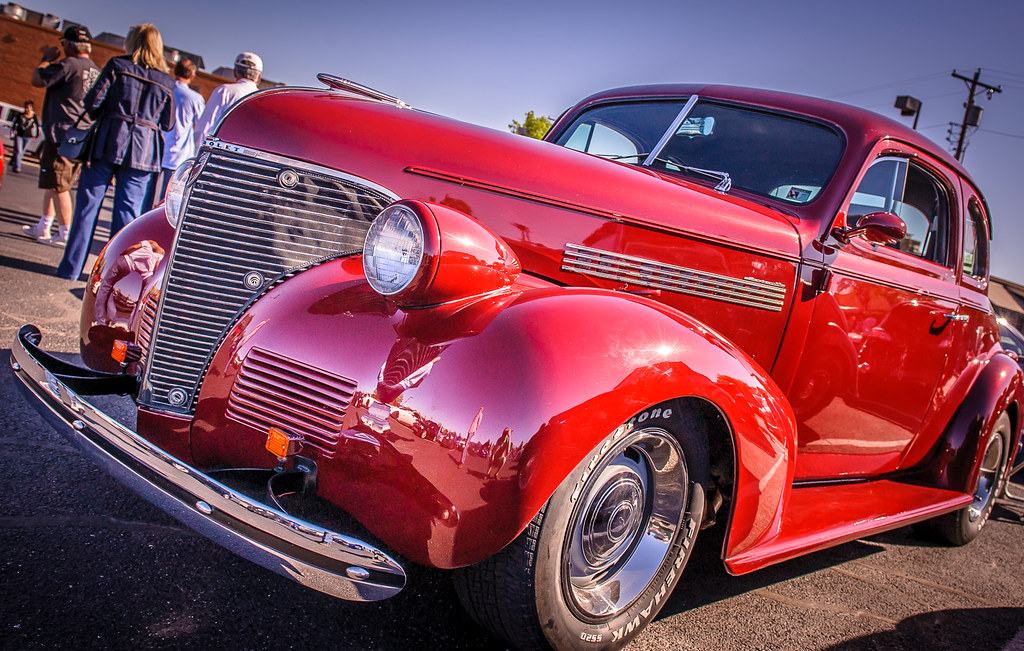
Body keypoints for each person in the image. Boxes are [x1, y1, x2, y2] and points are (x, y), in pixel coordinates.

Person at [55, 23, 175, 281]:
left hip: (107, 141)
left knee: (86, 209)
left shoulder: (117, 66)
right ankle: (114, 277)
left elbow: (93, 103)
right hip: (143, 151)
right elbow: (168, 123)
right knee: (127, 219)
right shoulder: (166, 80)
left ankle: (70, 270)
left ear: (132, 42)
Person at [23, 24, 100, 245]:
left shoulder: (67, 65)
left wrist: (46, 59)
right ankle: (44, 226)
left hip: (61, 135)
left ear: (69, 44)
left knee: (59, 186)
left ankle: (64, 232)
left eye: (63, 43)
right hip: (79, 135)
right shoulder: (94, 69)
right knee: (53, 182)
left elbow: (36, 79)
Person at [146, 58, 204, 209]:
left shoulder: (163, 88)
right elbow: (202, 125)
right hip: (179, 154)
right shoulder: (194, 98)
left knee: (147, 195)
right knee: (166, 201)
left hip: (155, 149)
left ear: (174, 71)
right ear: (192, 76)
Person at [193, 51, 262, 143]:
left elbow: (203, 130)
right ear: (259, 77)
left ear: (235, 72)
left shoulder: (223, 91)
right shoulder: (262, 98)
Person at [10, 100, 41, 173]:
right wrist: (14, 130)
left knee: (22, 151)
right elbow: (14, 124)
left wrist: (36, 135)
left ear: (31, 108)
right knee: (19, 151)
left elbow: (37, 126)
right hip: (19, 135)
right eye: (25, 107)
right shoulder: (20, 115)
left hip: (28, 136)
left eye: (28, 107)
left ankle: (14, 162)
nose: (26, 109)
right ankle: (17, 167)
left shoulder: (33, 117)